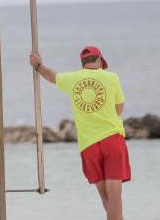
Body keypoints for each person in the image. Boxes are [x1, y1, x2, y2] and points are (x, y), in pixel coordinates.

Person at [30, 46, 129, 220]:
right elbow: (119, 109)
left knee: (106, 198)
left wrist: (38, 65)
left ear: (82, 63)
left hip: (88, 146)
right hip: (111, 139)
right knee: (115, 196)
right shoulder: (111, 77)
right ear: (99, 60)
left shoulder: (73, 79)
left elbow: (51, 76)